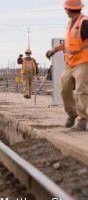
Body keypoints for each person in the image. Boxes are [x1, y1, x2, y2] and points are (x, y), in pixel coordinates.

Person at [46, 0, 88, 131]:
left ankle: (82, 120)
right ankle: (72, 114)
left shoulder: (85, 22)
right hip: (70, 63)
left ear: (68, 9)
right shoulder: (70, 23)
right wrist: (54, 50)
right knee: (64, 89)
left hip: (83, 62)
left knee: (81, 91)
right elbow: (68, 43)